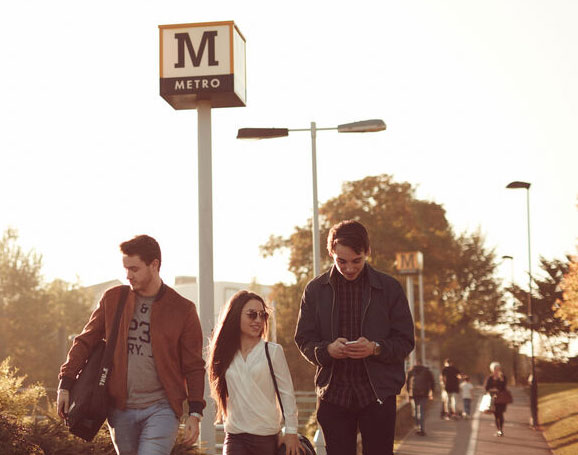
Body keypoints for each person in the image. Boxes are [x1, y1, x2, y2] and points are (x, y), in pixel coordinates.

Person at [57, 235, 205, 454]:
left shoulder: (183, 310)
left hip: (161, 409)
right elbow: (85, 341)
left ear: (154, 265)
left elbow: (193, 365)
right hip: (119, 409)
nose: (128, 275)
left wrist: (195, 412)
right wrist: (65, 383)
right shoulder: (113, 299)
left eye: (134, 269)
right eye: (126, 269)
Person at [295, 220, 415, 455]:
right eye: (341, 261)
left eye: (356, 260)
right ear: (331, 253)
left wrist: (375, 348)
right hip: (333, 395)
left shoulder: (390, 288)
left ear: (367, 252)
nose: (349, 268)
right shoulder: (315, 290)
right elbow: (303, 339)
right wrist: (327, 350)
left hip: (377, 395)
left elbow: (406, 340)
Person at [207, 290, 304, 455]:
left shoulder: (272, 351)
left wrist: (291, 431)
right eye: (252, 315)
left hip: (266, 437)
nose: (258, 320)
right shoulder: (224, 354)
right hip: (234, 437)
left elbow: (287, 394)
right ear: (236, 315)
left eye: (262, 315)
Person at [406, 360, 435, 436]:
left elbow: (407, 382)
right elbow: (432, 381)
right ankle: (422, 429)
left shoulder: (411, 371)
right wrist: (432, 391)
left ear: (415, 363)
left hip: (414, 394)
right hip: (424, 393)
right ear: (421, 363)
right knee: (421, 411)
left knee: (415, 411)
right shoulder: (426, 371)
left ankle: (417, 427)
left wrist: (408, 393)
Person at [485, 361, 508, 437]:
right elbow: (486, 387)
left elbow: (504, 387)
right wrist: (491, 389)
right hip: (493, 398)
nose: (497, 370)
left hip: (501, 398)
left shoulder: (503, 377)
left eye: (498, 368)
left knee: (500, 413)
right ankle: (498, 429)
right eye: (495, 369)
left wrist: (501, 380)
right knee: (496, 415)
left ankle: (500, 429)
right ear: (492, 369)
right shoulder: (490, 378)